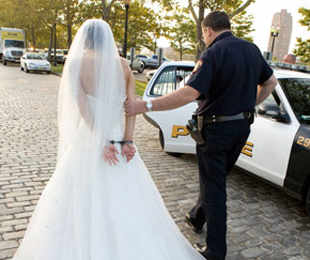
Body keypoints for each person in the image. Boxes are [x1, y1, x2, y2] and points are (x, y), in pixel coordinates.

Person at [11, 19, 208, 260]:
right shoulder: (124, 65)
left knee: (77, 197)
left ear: (85, 39)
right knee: (128, 199)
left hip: (90, 140)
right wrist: (127, 140)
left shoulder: (75, 65)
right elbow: (132, 108)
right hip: (118, 139)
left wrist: (101, 141)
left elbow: (84, 110)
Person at [125, 11, 278, 260]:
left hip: (216, 130)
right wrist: (249, 105)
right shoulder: (252, 49)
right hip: (242, 127)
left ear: (208, 30)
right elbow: (270, 82)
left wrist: (147, 105)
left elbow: (189, 93)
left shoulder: (213, 53)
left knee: (215, 188)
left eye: (204, 35)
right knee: (214, 178)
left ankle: (216, 251)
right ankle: (197, 216)